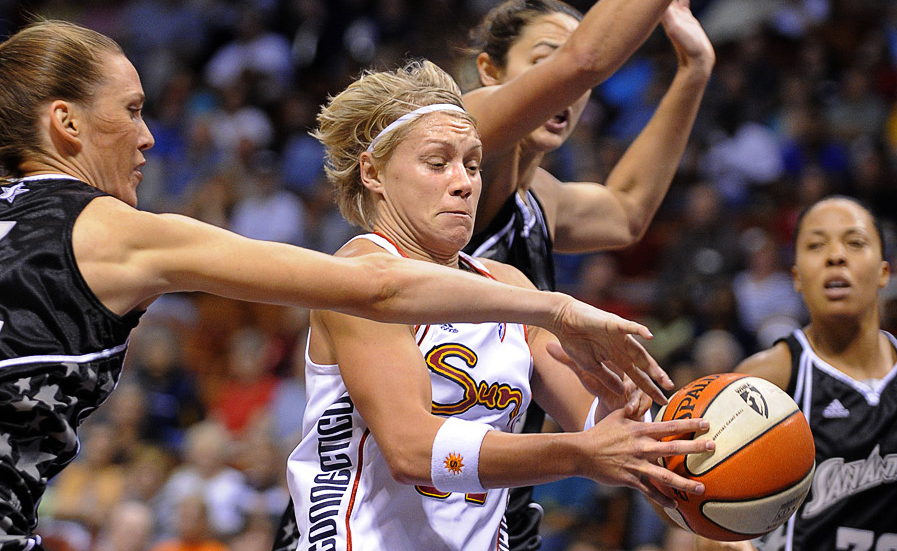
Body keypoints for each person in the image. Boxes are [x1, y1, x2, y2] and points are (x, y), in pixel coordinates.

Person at [0, 20, 672, 550]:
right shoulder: (109, 228)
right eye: (132, 109)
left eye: (472, 163)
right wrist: (558, 308)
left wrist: (678, 445)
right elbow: (380, 299)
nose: (149, 135)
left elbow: (611, 425)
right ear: (64, 121)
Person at [285, 59, 716, 550]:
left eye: (471, 164)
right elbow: (411, 449)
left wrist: (637, 423)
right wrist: (582, 453)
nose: (464, 182)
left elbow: (595, 422)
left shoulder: (507, 285)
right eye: (437, 162)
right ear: (373, 172)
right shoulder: (357, 275)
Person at [460, 0, 716, 548]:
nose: (573, 89)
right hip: (401, 484)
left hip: (497, 503)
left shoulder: (540, 199)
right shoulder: (456, 137)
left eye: (582, 87)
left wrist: (694, 69)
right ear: (489, 72)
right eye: (545, 63)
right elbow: (587, 58)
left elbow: (626, 211)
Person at [694, 196, 896, 551]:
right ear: (797, 277)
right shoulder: (768, 376)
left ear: (884, 271)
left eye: (855, 242)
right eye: (816, 245)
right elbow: (703, 509)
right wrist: (726, 541)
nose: (836, 256)